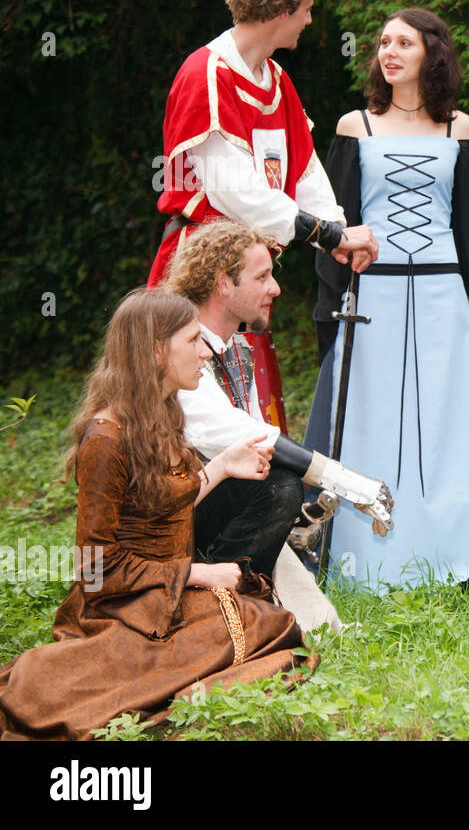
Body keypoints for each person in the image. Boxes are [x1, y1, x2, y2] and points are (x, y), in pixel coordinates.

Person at [0, 291, 305, 740]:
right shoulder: (106, 439)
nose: (206, 352)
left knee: (272, 626)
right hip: (122, 605)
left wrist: (221, 467)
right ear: (156, 350)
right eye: (192, 341)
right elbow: (94, 569)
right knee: (262, 627)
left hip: (166, 592)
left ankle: (177, 678)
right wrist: (198, 574)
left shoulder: (162, 413)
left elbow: (159, 506)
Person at [307, 8, 469, 589]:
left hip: (443, 296)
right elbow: (336, 225)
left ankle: (449, 557)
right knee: (372, 421)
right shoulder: (354, 127)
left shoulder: (457, 129)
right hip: (373, 299)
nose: (389, 52)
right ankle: (366, 562)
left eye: (404, 43)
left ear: (430, 54)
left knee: (445, 422)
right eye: (384, 43)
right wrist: (329, 308)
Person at [164, 220, 391, 628]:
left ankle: (250, 607)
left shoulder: (235, 348)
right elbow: (240, 435)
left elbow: (256, 451)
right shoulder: (177, 347)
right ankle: (211, 610)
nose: (276, 289)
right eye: (262, 276)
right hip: (160, 521)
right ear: (224, 285)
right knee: (277, 486)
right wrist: (347, 482)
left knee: (275, 484)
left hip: (199, 501)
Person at [148, 0, 377, 287]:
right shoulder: (207, 74)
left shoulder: (279, 82)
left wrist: (337, 231)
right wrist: (327, 234)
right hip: (201, 274)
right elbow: (235, 191)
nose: (309, 21)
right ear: (284, 10)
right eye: (306, 9)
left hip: (250, 273)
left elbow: (304, 173)